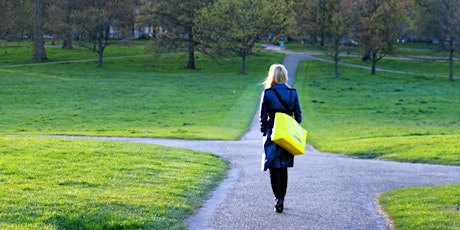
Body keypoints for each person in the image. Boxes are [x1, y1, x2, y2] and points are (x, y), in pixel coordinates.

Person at [259, 64, 302, 213]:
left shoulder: (268, 93)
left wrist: (265, 132)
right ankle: (282, 197)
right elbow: (299, 117)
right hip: (287, 134)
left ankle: (278, 198)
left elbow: (262, 118)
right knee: (283, 167)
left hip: (272, 133)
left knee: (273, 166)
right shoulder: (292, 93)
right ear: (284, 76)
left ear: (272, 76)